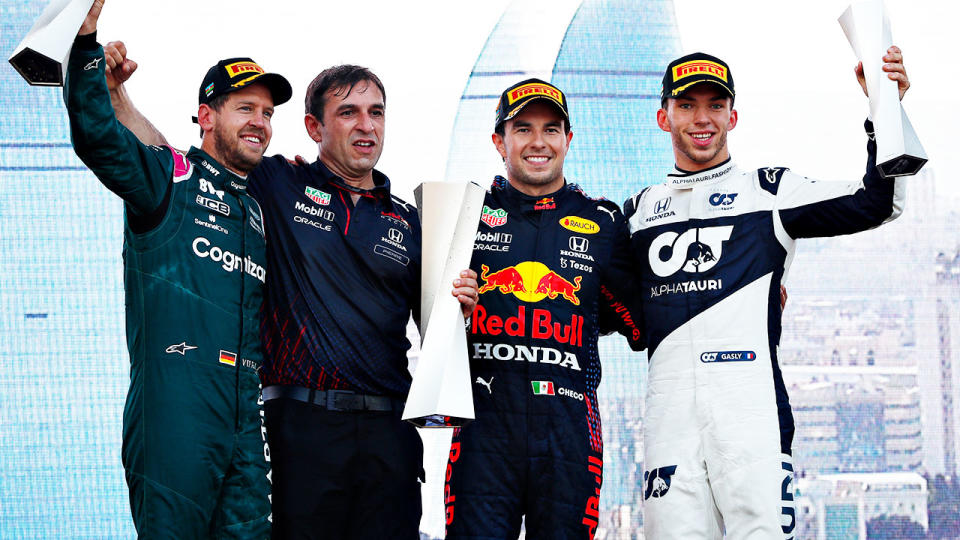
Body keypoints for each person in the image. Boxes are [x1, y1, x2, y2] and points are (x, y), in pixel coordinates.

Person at [104, 46, 479, 539]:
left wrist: (460, 307)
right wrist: (117, 98)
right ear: (314, 127)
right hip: (301, 429)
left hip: (389, 434)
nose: (366, 126)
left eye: (376, 113)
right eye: (348, 113)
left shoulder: (409, 221)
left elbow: (437, 338)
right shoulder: (278, 182)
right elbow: (180, 165)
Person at [621, 50, 909, 539]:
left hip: (752, 423)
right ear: (662, 117)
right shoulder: (637, 214)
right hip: (669, 431)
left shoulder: (769, 193)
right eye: (687, 105)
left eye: (715, 105)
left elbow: (876, 201)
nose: (702, 118)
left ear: (733, 116)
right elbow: (598, 305)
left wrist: (887, 106)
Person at [63, 1, 293, 537]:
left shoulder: (257, 205)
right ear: (208, 116)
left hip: (245, 404)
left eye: (267, 113)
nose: (259, 122)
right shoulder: (169, 178)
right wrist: (86, 47)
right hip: (177, 397)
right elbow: (99, 137)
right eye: (245, 108)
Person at [443, 79, 645, 540]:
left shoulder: (602, 221)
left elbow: (643, 319)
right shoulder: (463, 212)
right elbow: (417, 314)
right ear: (499, 141)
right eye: (523, 129)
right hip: (483, 434)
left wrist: (747, 293)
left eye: (551, 130)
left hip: (569, 432)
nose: (538, 142)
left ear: (568, 140)